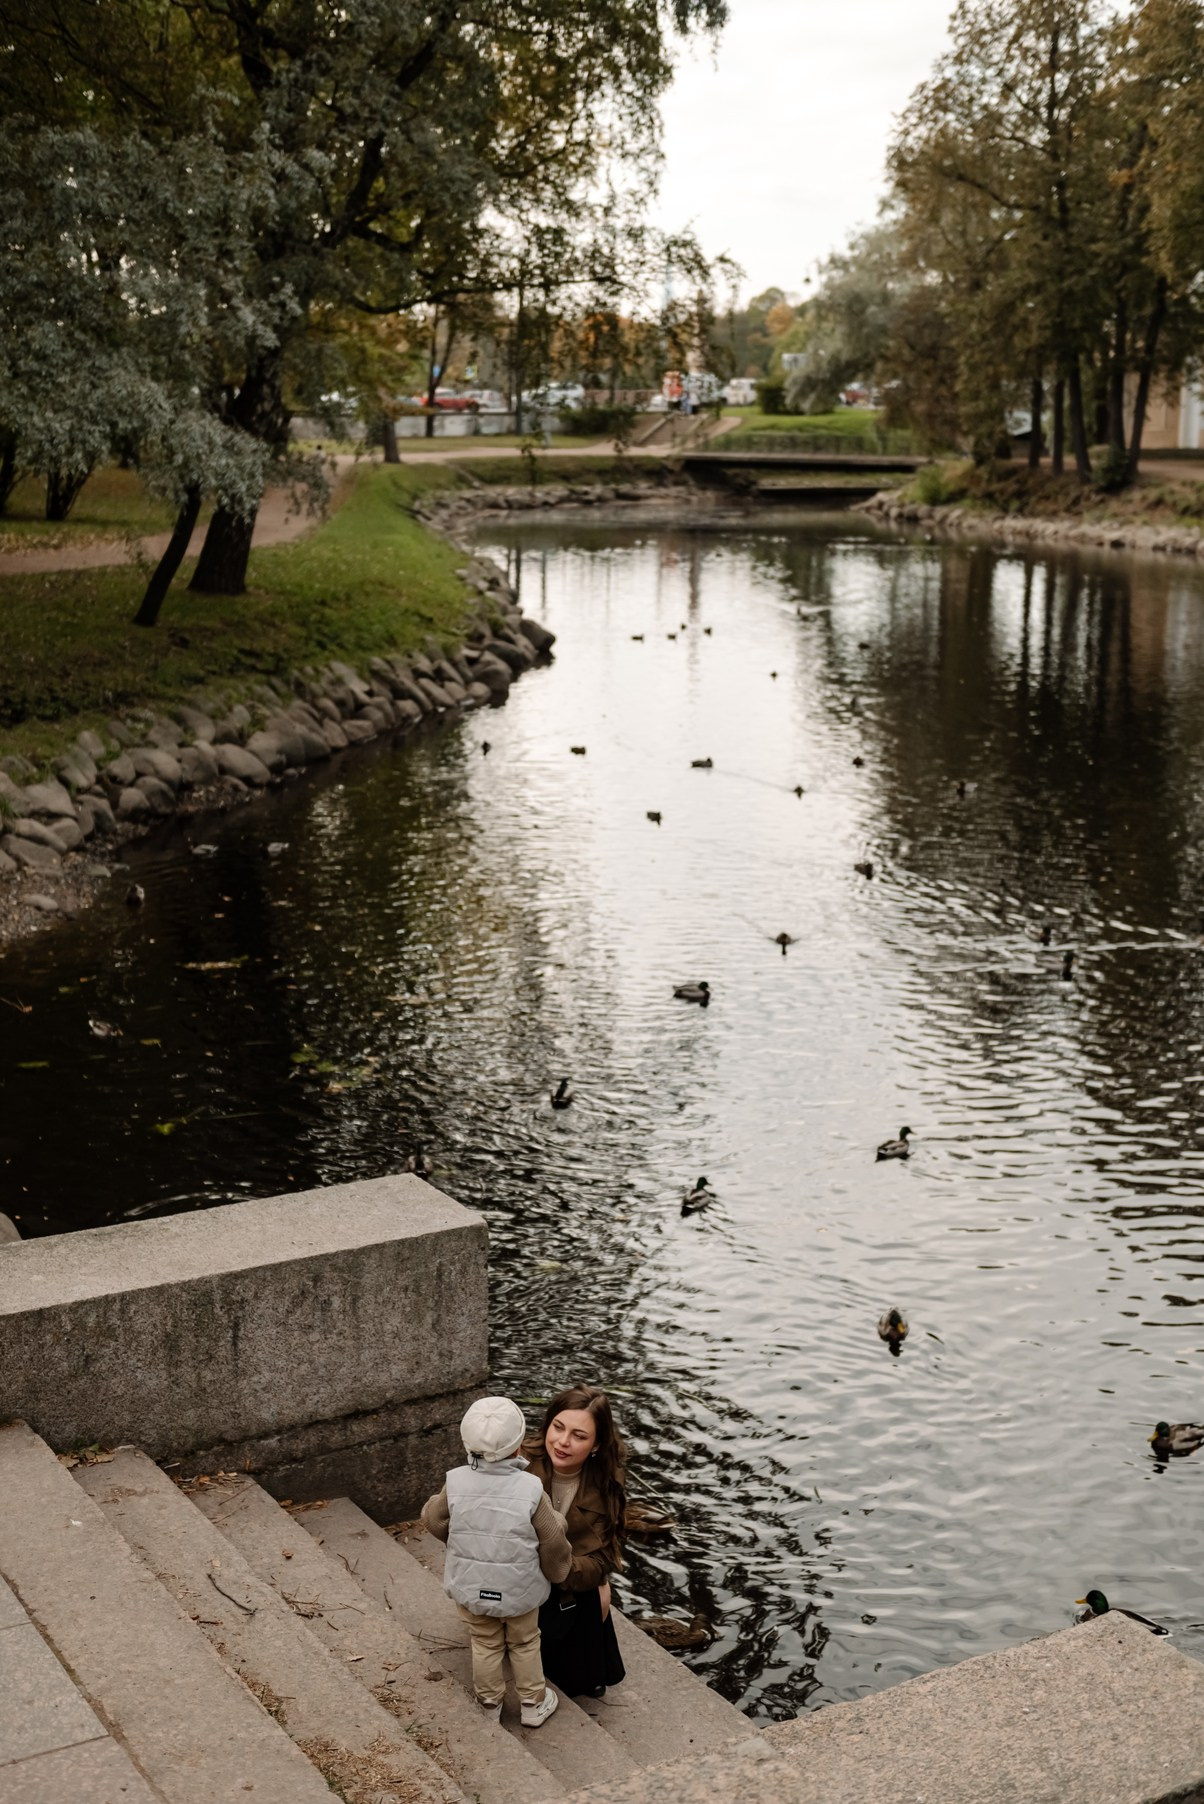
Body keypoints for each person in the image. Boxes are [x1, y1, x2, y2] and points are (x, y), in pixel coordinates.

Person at [422, 1395, 572, 1726]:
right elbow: (552, 1540)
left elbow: (432, 1520)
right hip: (520, 1593)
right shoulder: (531, 1489)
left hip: (473, 1588)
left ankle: (489, 1704)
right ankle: (533, 1703)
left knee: (485, 1642)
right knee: (525, 1642)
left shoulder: (456, 1481)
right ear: (519, 1447)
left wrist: (462, 1541)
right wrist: (557, 1572)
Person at [524, 1384, 628, 1699]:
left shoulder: (606, 1483)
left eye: (579, 1436)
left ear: (596, 1446)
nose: (563, 1442)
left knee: (596, 1596)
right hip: (516, 1569)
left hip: (565, 1577)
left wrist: (573, 1572)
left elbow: (603, 1557)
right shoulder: (518, 1460)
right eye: (558, 1427)